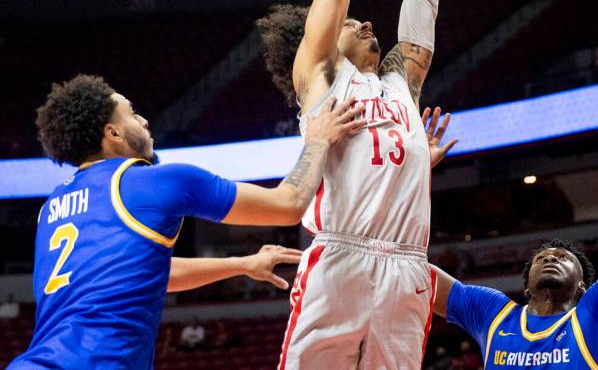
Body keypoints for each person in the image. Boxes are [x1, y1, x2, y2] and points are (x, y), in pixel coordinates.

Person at [257, 0, 455, 369]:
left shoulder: (401, 82)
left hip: (408, 267)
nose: (367, 25)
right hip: (340, 258)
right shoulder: (318, 73)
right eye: (352, 22)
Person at [9, 74, 363, 370]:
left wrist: (240, 264)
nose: (144, 121)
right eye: (131, 113)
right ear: (112, 133)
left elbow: (146, 271)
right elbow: (288, 204)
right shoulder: (155, 182)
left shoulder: (52, 207)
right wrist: (318, 142)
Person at [432, 50, 598, 370]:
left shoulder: (597, 312)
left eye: (563, 258)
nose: (551, 257)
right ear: (525, 287)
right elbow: (411, 268)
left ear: (582, 286)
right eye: (542, 257)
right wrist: (412, 176)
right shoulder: (494, 314)